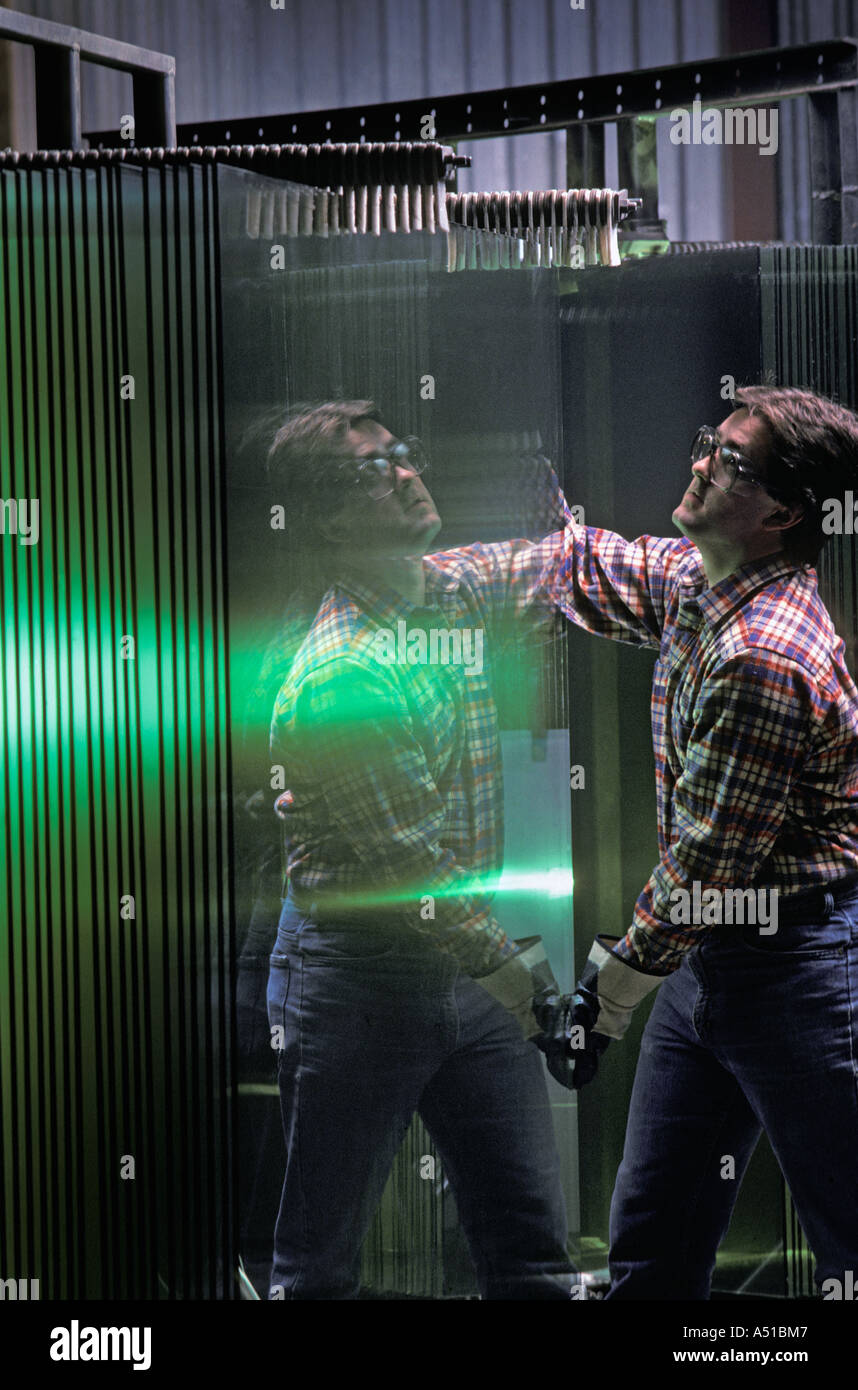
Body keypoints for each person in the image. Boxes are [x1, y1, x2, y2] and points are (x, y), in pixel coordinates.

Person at [263, 400, 585, 1301]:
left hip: (466, 965)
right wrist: (537, 999)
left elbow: (559, 566)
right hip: (359, 981)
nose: (406, 474)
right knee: (319, 1266)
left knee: (532, 1253)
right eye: (373, 470)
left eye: (400, 454)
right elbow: (422, 883)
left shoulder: (450, 591)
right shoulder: (343, 676)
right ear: (329, 520)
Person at [552, 385, 858, 1299]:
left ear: (784, 513)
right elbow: (597, 568)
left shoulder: (762, 653)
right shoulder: (704, 583)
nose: (700, 464)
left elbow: (706, 870)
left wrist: (606, 998)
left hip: (799, 971)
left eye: (730, 461)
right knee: (652, 1244)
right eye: (708, 443)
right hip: (706, 968)